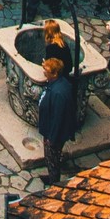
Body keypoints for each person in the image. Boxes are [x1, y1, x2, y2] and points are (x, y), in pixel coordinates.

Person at [37, 56, 77, 184]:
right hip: (50, 130)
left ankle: (54, 182)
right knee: (51, 157)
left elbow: (57, 118)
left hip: (53, 134)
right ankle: (52, 175)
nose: (44, 73)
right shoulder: (59, 84)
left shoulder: (58, 93)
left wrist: (51, 138)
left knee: (52, 158)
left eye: (47, 71)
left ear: (54, 74)